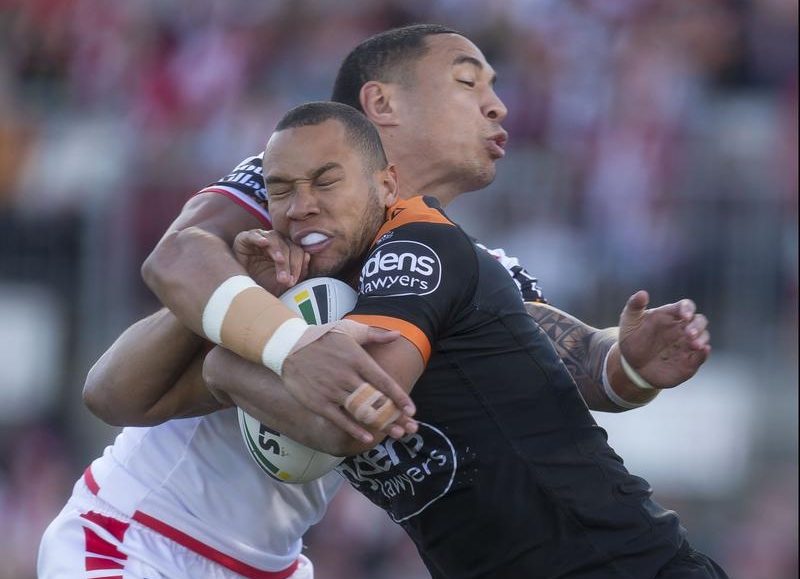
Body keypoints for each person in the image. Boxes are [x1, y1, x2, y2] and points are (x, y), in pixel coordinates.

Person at [37, 25, 710, 579]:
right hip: (141, 538)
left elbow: (575, 363)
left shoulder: (451, 258)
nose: (498, 106)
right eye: (469, 83)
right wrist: (290, 343)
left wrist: (630, 364)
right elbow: (172, 266)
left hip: (272, 563)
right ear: (382, 103)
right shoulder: (295, 190)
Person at [201, 100, 729, 578]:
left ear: (385, 184)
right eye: (281, 190)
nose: (301, 206)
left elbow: (359, 417)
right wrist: (250, 299)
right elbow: (138, 395)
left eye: (326, 182)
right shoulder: (305, 296)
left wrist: (222, 366)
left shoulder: (416, 245)